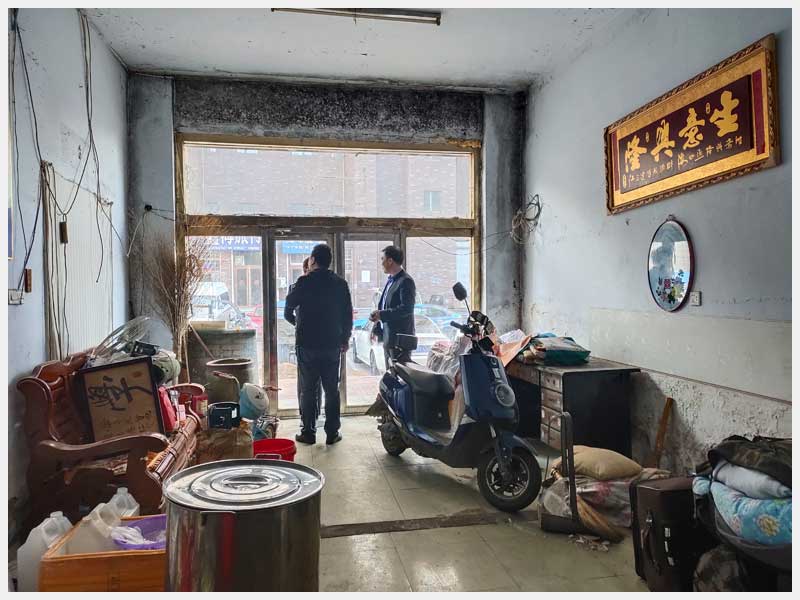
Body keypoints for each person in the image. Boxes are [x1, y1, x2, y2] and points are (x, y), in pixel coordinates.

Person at [285, 244, 353, 445]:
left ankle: (308, 432)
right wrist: (345, 339)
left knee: (308, 390)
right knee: (332, 390)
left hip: (307, 345)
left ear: (313, 260)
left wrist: (299, 324)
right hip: (332, 344)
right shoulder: (340, 284)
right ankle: (332, 433)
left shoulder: (304, 282)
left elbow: (288, 306)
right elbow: (347, 315)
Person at [284, 257, 322, 421]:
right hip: (305, 340)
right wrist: (300, 325)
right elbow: (287, 314)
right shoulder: (295, 288)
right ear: (305, 269)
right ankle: (306, 416)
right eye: (311, 268)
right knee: (305, 380)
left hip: (318, 339)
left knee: (315, 380)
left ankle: (315, 414)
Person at [369, 245, 416, 365]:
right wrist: (377, 322)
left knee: (399, 375)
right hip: (389, 338)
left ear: (390, 261)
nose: (381, 263)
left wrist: (382, 314)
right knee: (390, 374)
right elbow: (386, 306)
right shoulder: (391, 280)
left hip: (400, 341)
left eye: (382, 259)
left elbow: (407, 309)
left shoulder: (406, 281)